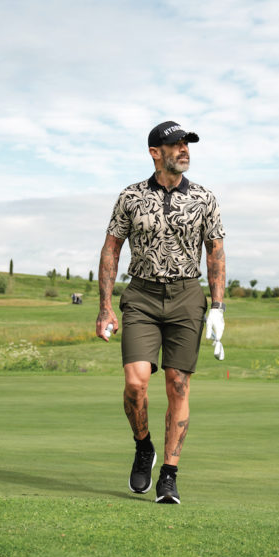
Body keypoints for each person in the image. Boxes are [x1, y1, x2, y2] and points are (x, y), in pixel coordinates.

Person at [95, 120, 227, 504]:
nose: (184, 150)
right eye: (176, 145)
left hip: (187, 294)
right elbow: (111, 250)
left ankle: (169, 474)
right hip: (142, 295)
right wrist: (105, 307)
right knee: (136, 383)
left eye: (187, 144)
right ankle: (143, 446)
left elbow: (215, 252)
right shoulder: (130, 197)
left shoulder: (205, 198)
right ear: (155, 152)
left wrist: (217, 306)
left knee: (178, 383)